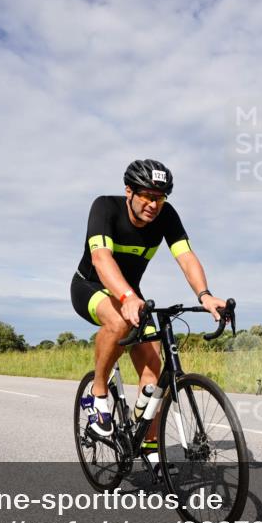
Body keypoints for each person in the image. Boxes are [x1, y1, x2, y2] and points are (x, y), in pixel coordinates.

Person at [70, 159, 227, 469]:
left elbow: (186, 258)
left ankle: (148, 442)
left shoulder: (166, 216)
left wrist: (205, 295)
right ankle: (98, 394)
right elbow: (101, 259)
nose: (154, 204)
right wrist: (126, 295)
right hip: (90, 286)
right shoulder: (105, 208)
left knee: (154, 369)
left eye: (161, 197)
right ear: (129, 191)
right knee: (116, 321)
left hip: (132, 296)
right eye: (147, 196)